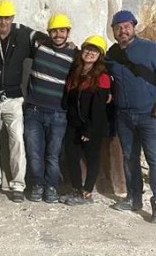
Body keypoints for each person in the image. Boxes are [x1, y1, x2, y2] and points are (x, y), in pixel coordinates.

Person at [106, 10, 156, 224]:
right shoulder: (112, 54)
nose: (122, 30)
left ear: (134, 26)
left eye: (126, 26)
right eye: (118, 27)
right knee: (129, 159)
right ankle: (133, 198)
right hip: (124, 116)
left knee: (155, 161)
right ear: (113, 31)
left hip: (151, 115)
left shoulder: (151, 49)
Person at [0, 0, 46, 203]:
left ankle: (17, 185)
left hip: (14, 98)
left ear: (12, 18)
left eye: (7, 18)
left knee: (17, 142)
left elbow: (42, 40)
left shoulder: (22, 36)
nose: (3, 22)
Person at [24, 13, 77, 203]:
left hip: (58, 112)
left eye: (62, 31)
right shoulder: (39, 44)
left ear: (68, 32)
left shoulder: (75, 54)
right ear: (49, 32)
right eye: (54, 31)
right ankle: (37, 185)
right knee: (34, 152)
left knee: (53, 155)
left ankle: (51, 187)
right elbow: (14, 28)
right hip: (34, 110)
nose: (58, 35)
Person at [62, 35, 111, 206]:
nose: (90, 53)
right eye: (88, 49)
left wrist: (89, 129)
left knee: (92, 157)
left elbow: (99, 107)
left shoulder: (102, 77)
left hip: (92, 125)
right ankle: (77, 189)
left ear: (100, 55)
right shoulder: (76, 71)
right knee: (71, 155)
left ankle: (87, 192)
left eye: (94, 50)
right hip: (74, 123)